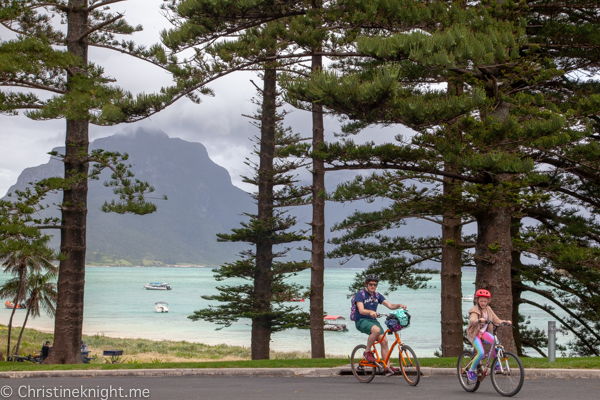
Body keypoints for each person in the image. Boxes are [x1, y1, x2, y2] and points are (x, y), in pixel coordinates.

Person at [354, 274, 407, 377]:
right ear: (366, 284)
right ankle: (367, 351)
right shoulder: (360, 294)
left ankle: (387, 368)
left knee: (384, 341)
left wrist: (399, 305)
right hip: (361, 320)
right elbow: (361, 310)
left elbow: (390, 305)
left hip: (373, 321)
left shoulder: (377, 295)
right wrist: (370, 312)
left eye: (375, 284)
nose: (373, 286)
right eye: (371, 284)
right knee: (376, 330)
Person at [466, 289, 512, 382]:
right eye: (481, 301)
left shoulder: (488, 309)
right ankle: (470, 371)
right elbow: (472, 319)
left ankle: (497, 365)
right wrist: (478, 320)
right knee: (481, 352)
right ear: (477, 300)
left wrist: (505, 322)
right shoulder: (475, 310)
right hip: (475, 334)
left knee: (496, 343)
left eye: (485, 301)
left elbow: (497, 320)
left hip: (483, 333)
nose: (483, 303)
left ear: (488, 301)